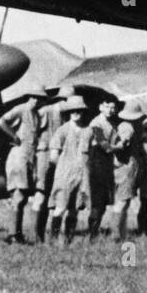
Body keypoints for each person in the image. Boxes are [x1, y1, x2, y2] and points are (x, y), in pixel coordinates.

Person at [0, 86, 48, 244]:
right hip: (19, 158)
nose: (37, 100)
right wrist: (14, 137)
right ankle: (13, 234)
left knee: (22, 197)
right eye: (34, 97)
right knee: (18, 197)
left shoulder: (36, 115)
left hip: (28, 159)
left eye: (40, 98)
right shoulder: (21, 109)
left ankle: (16, 234)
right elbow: (0, 122)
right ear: (29, 96)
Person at [48, 95, 94, 246]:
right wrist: (65, 168)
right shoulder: (62, 130)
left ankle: (68, 240)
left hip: (82, 176)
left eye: (79, 110)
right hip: (65, 174)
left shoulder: (89, 131)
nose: (76, 113)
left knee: (75, 209)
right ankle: (53, 240)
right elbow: (53, 156)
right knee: (60, 208)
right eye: (73, 110)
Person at [32, 84, 75, 244]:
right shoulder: (44, 112)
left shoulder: (63, 115)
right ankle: (34, 237)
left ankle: (40, 236)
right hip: (45, 155)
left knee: (47, 195)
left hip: (54, 156)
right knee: (40, 194)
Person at [111, 99, 147, 241]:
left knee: (125, 202)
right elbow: (122, 144)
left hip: (128, 168)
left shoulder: (128, 126)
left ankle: (121, 233)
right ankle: (116, 235)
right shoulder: (128, 128)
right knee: (122, 202)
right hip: (126, 169)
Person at [86, 97, 118, 241]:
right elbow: (104, 144)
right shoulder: (96, 123)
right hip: (97, 163)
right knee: (98, 202)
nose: (111, 110)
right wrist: (119, 147)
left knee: (103, 202)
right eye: (107, 107)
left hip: (106, 164)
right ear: (100, 107)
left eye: (113, 107)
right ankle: (92, 234)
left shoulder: (111, 123)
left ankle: (95, 231)